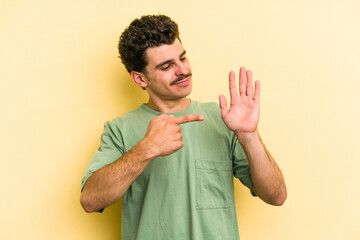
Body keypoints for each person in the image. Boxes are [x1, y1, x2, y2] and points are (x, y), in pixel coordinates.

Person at [80, 14, 287, 239]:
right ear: (140, 79)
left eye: (183, 58)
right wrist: (146, 150)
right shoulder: (119, 130)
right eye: (167, 66)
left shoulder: (224, 119)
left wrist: (248, 135)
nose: (182, 70)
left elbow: (276, 196)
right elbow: (90, 200)